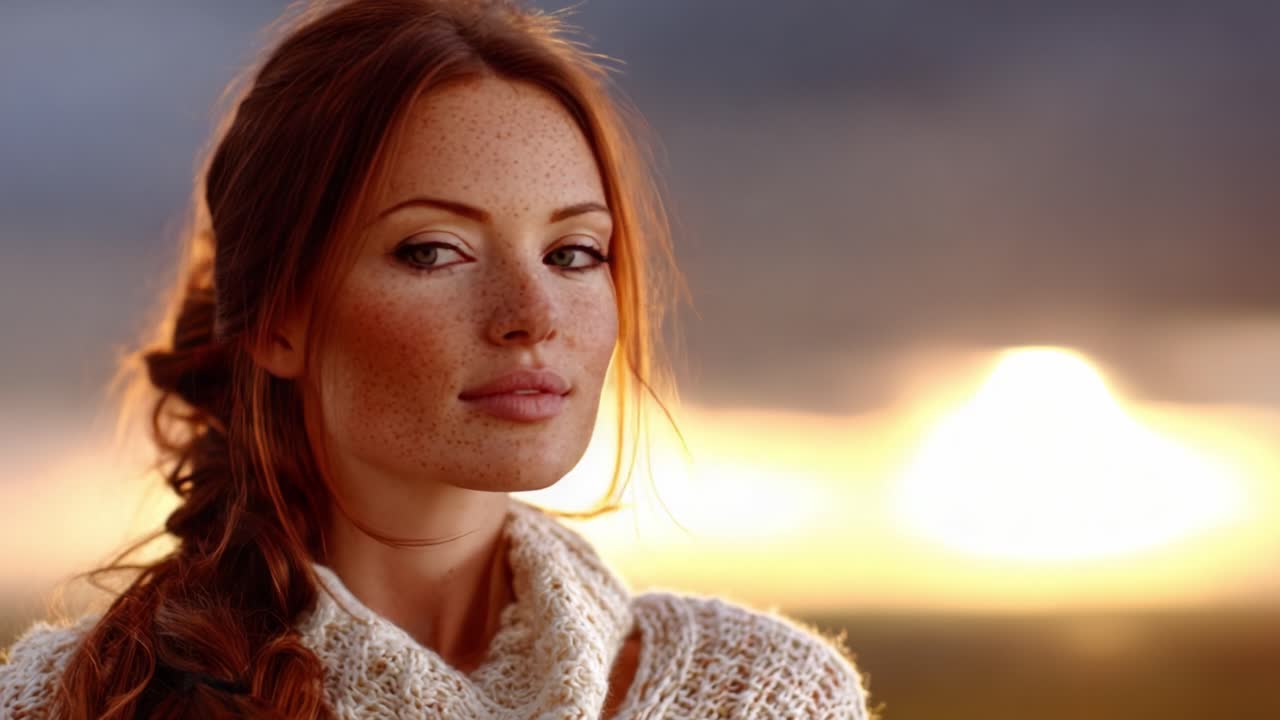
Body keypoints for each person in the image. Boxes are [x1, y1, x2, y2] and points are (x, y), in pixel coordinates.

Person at [0, 1, 870, 717]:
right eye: (433, 250)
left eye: (572, 253)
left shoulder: (763, 697)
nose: (532, 317)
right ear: (278, 323)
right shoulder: (64, 702)